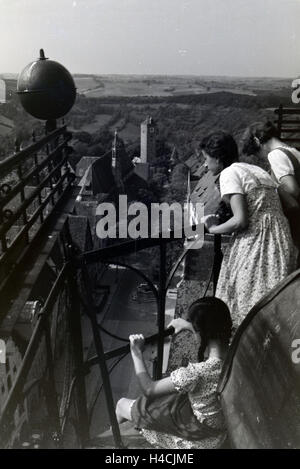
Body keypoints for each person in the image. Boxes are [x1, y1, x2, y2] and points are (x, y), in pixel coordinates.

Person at [200, 131, 297, 329]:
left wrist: (213, 228)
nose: (204, 165)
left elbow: (240, 220)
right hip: (280, 237)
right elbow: (289, 204)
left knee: (245, 299)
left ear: (217, 158)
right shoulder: (256, 170)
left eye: (206, 159)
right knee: (271, 298)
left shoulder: (228, 173)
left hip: (256, 240)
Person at [115, 297, 232, 449]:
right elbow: (210, 331)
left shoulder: (197, 373)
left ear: (200, 332)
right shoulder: (236, 352)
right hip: (219, 433)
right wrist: (189, 326)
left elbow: (149, 389)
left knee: (121, 405)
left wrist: (136, 353)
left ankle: (111, 443)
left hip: (199, 442)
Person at [241, 120, 300, 248]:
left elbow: (292, 189)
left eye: (257, 154)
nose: (262, 158)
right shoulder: (293, 151)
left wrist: (272, 187)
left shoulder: (275, 154)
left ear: (257, 141)